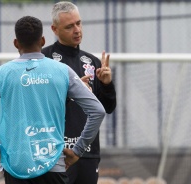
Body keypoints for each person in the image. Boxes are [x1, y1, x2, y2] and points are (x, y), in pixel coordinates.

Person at [0, 15, 106, 184]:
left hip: (17, 166)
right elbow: (98, 111)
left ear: (16, 43)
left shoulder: (2, 74)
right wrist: (78, 150)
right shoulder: (63, 71)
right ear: (42, 40)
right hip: (53, 165)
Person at [42, 2, 117, 184]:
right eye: (69, 26)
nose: (77, 30)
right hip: (54, 153)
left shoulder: (92, 62)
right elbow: (37, 106)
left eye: (79, 23)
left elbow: (107, 108)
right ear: (55, 29)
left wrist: (107, 84)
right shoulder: (44, 60)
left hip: (87, 152)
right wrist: (67, 93)